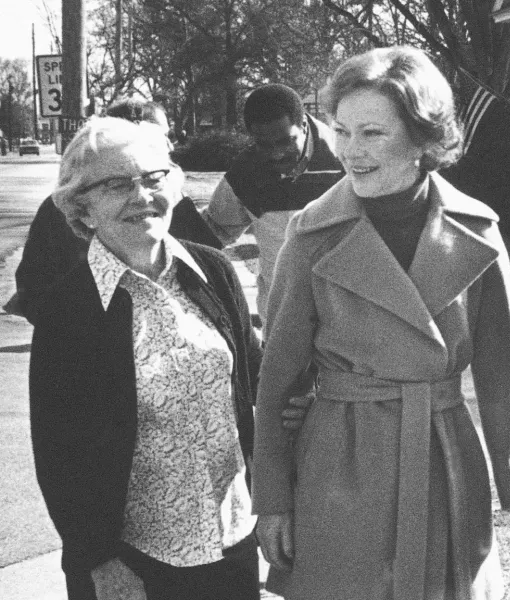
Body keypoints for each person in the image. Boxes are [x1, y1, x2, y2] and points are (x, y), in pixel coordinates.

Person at [251, 46, 510, 600]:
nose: (350, 152)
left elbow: (500, 379)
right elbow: (277, 380)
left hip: (442, 452)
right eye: (342, 130)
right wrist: (273, 498)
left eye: (372, 133)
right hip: (340, 462)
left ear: (422, 139)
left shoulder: (478, 230)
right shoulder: (312, 234)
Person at [29, 117, 262, 600]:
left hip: (231, 540)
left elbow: (255, 385)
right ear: (83, 208)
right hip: (132, 561)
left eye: (153, 178)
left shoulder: (214, 271)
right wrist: (97, 559)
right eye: (116, 185)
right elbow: (58, 451)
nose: (142, 196)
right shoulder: (69, 308)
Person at [11, 99, 222, 325]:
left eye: (168, 137)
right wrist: (74, 327)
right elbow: (33, 287)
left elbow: (208, 266)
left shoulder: (167, 197)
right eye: (117, 184)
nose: (169, 147)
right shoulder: (63, 207)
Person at [202, 83, 342, 330]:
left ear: (304, 126)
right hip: (282, 324)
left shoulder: (346, 158)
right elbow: (210, 234)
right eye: (264, 145)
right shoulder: (246, 172)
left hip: (347, 324)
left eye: (286, 141)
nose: (277, 154)